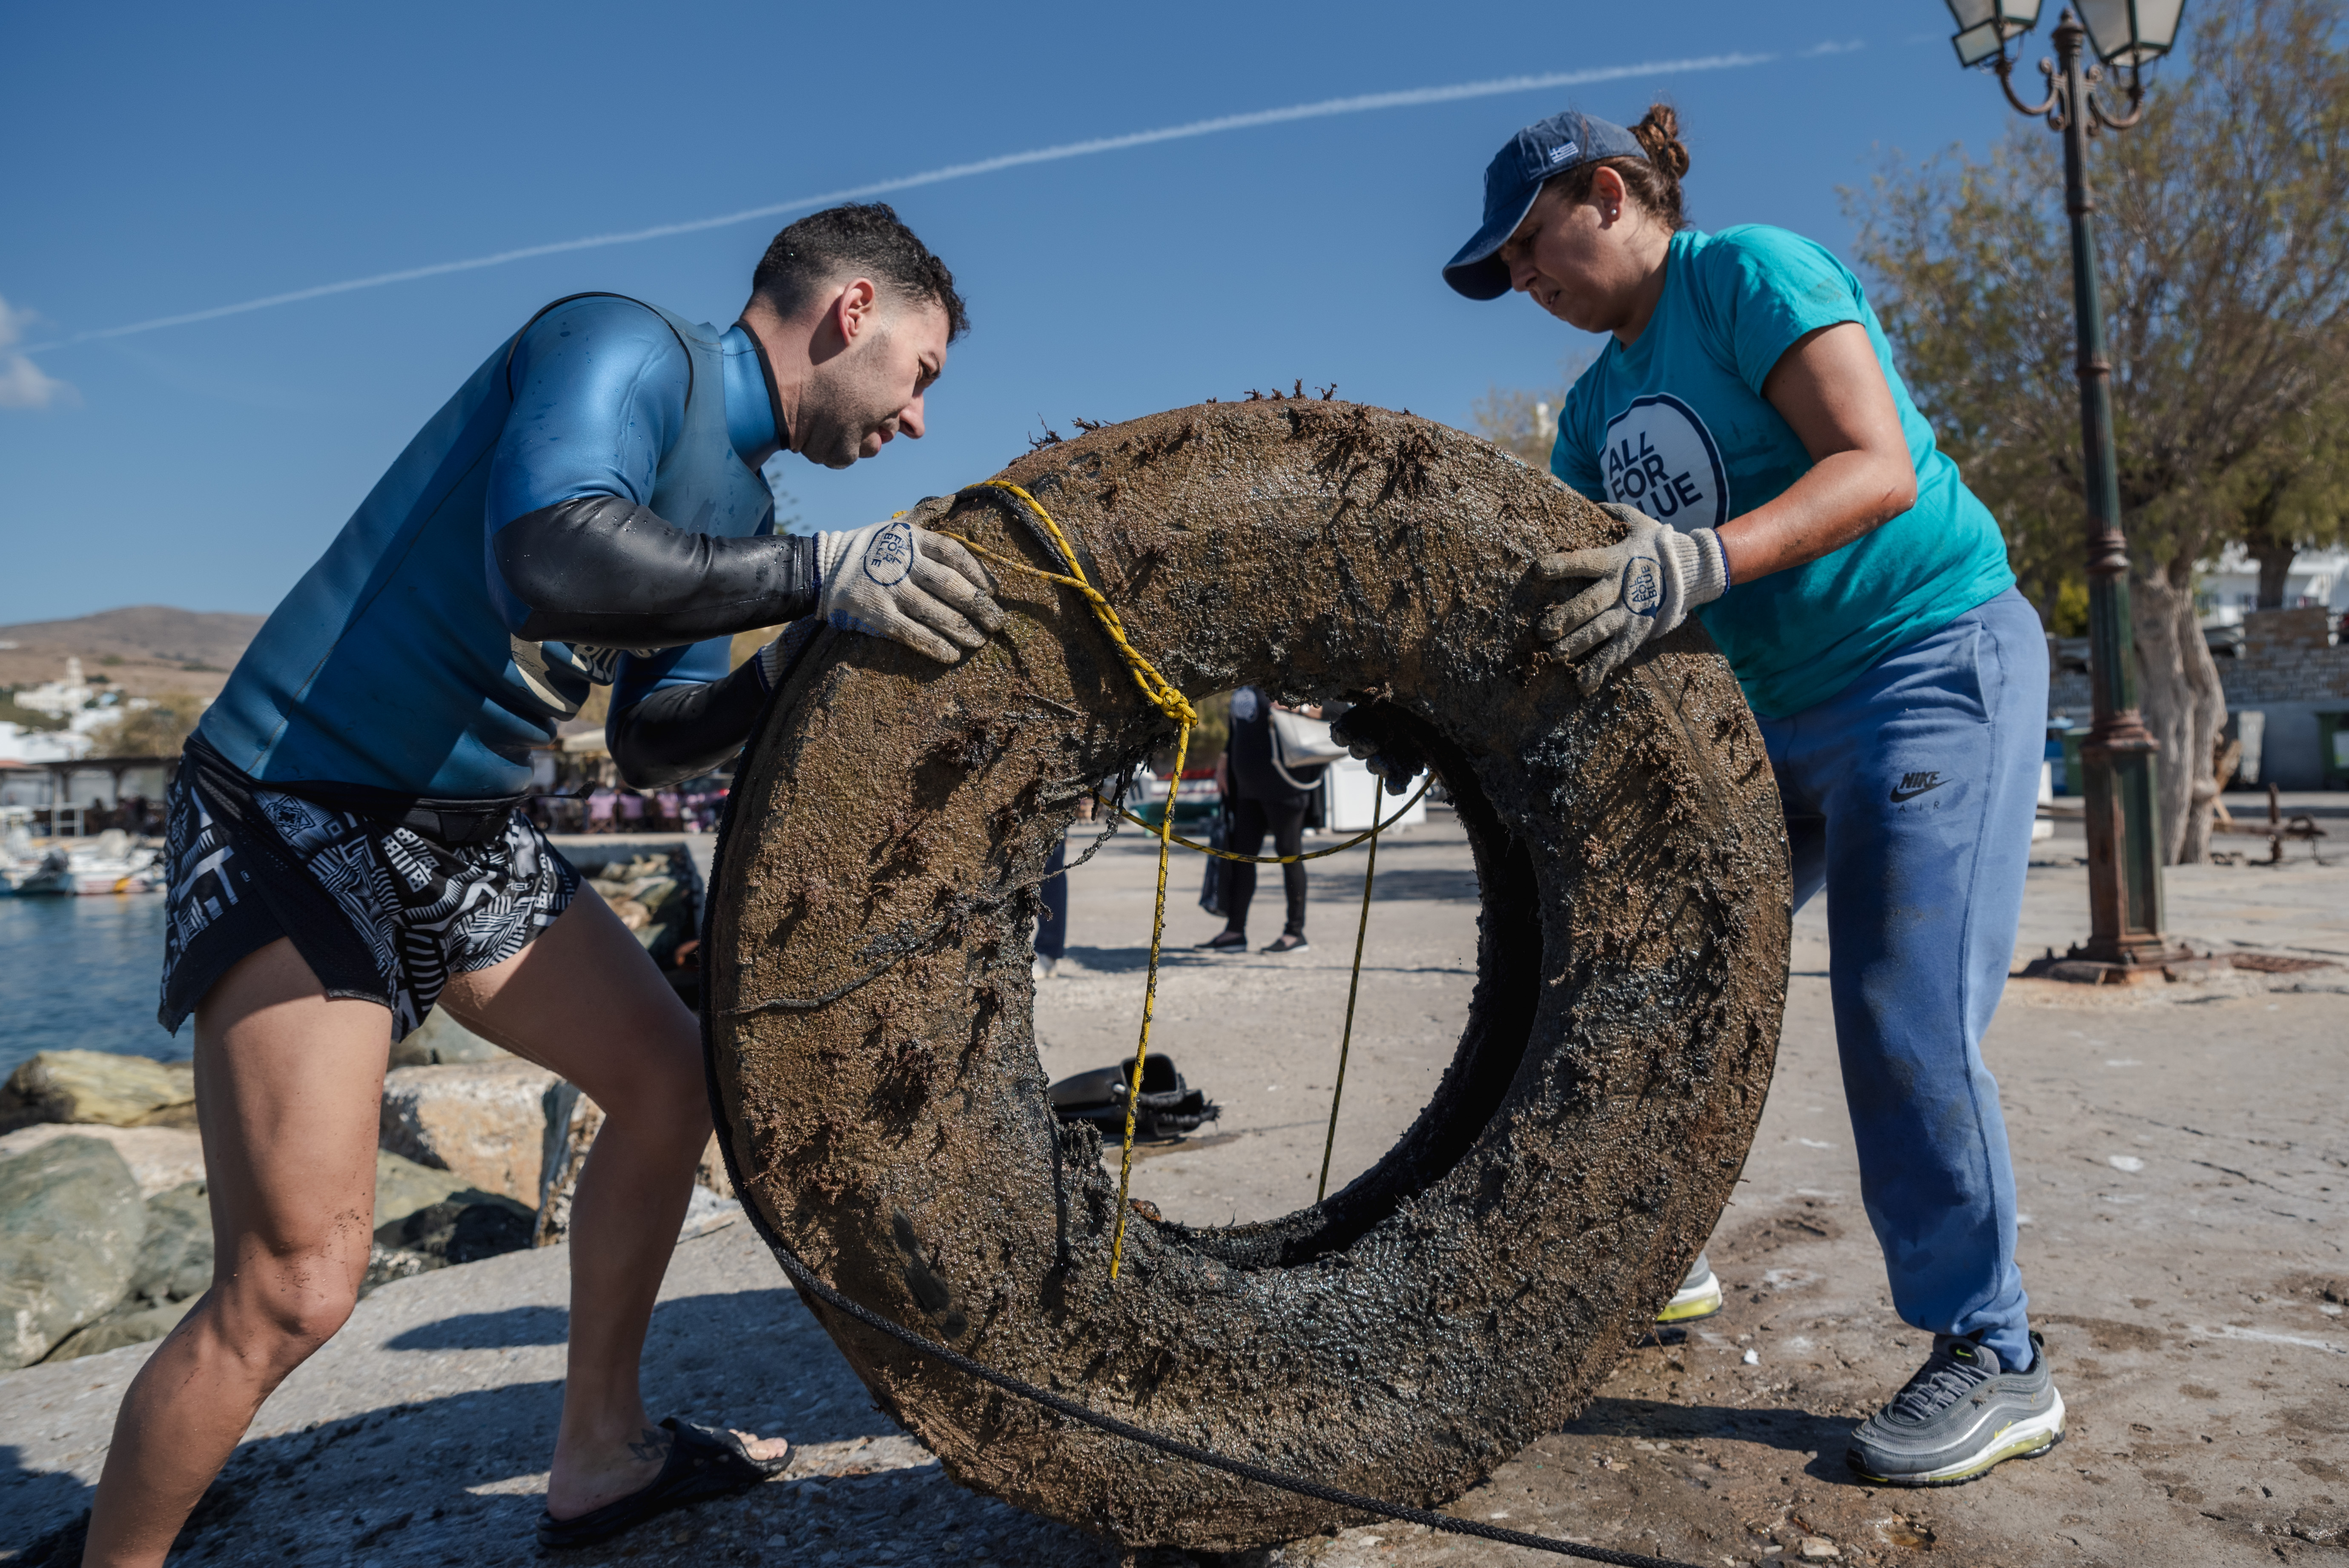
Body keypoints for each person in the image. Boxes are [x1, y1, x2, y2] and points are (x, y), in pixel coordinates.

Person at [107, 203, 1004, 1565]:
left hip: (466, 832)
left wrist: (792, 654)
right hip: (303, 804)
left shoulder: (747, 504)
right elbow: (553, 554)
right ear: (856, 311)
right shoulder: (624, 347)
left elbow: (651, 734)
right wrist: (820, 573)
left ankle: (597, 1456)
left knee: (672, 1080)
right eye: (925, 377)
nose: (919, 420)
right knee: (294, 1285)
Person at [1361, 106, 2058, 1488]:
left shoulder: (1745, 275)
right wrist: (1418, 709)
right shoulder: (1589, 412)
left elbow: (1875, 467)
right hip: (1760, 718)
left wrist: (1695, 563)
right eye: (1502, 276)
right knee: (1639, 966)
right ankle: (1650, 1251)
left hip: (1923, 662)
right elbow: (1554, 613)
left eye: (1524, 249)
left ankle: (1994, 1350)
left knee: (1896, 1003)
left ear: (1606, 192)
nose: (1522, 287)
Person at [1196, 687, 1322, 955]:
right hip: (1245, 788)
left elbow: (1335, 709)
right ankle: (1235, 932)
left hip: (1285, 785)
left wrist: (1299, 707)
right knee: (1241, 856)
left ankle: (1294, 932)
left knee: (1289, 854)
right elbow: (1238, 728)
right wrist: (1224, 761)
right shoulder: (1247, 679)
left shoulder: (1290, 675)